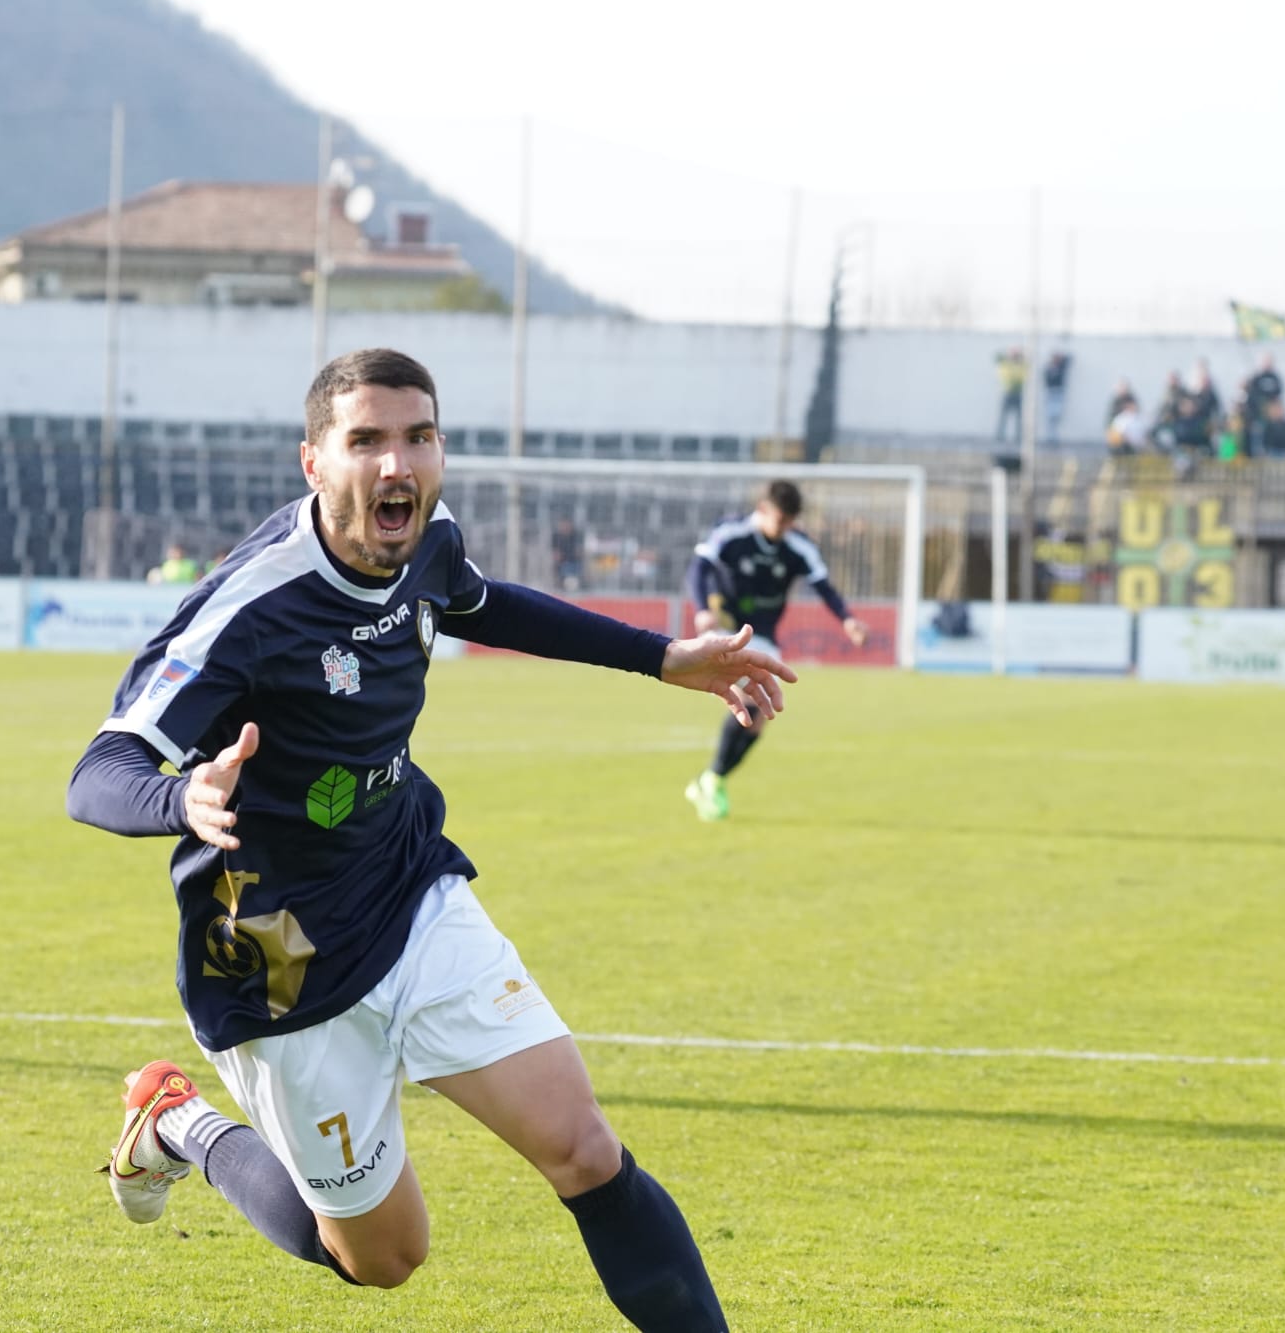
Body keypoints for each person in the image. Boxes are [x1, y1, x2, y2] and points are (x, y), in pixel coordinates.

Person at [67, 348, 779, 1330]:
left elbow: (485, 603)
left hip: (408, 889)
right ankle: (180, 1122)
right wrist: (179, 795)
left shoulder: (429, 543)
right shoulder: (250, 608)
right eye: (365, 440)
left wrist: (660, 657)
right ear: (314, 462)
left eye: (418, 436)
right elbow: (97, 770)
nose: (395, 463)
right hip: (277, 955)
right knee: (384, 1257)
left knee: (582, 1148)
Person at [680, 480, 866, 823]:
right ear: (763, 510)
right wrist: (702, 608)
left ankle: (711, 779)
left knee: (757, 722)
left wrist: (848, 619)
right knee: (749, 700)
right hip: (726, 629)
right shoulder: (732, 532)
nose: (785, 528)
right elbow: (699, 568)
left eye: (790, 522)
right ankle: (711, 782)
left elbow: (823, 586)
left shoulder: (798, 546)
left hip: (763, 636)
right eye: (780, 520)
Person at [994, 347, 1026, 444]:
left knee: (1019, 417)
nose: (1014, 356)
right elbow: (997, 358)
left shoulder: (1021, 365)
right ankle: (1000, 436)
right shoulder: (1006, 364)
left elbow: (1023, 375)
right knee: (1004, 416)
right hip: (1007, 392)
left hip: (1018, 392)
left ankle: (1018, 437)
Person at [1041, 348, 1072, 444]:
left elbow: (1070, 358)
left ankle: (1055, 436)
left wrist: (1061, 357)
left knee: (1057, 415)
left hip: (1059, 392)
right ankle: (1050, 437)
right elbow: (1046, 380)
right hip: (1051, 392)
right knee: (1050, 416)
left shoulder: (1061, 367)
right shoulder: (1049, 368)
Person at [551, 516, 584, 591]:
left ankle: (577, 584)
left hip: (574, 560)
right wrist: (557, 555)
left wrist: (578, 552)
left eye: (567, 525)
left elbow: (579, 550)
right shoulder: (556, 536)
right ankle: (560, 584)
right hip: (562, 562)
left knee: (576, 569)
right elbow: (555, 551)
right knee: (559, 568)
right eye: (563, 525)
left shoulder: (575, 535)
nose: (565, 527)